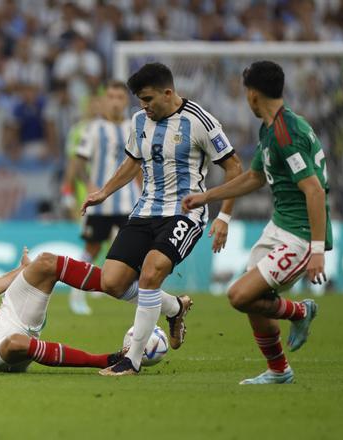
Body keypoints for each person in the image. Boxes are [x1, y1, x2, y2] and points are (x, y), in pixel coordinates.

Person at [81, 63, 243, 375]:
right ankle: (175, 307)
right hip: (145, 211)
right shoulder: (140, 119)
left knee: (151, 274)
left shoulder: (201, 122)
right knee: (111, 282)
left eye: (148, 99)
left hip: (185, 213)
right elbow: (133, 161)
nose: (143, 106)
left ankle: (132, 360)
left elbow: (234, 167)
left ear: (168, 93)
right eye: (139, 100)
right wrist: (104, 192)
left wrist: (224, 216)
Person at [182, 60, 330, 385]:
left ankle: (301, 312)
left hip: (300, 236)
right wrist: (208, 198)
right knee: (253, 300)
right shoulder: (272, 127)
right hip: (279, 226)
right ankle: (279, 371)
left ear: (252, 94)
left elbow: (315, 191)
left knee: (239, 295)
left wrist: (317, 250)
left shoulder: (285, 132)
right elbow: (254, 178)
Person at [65, 81, 139, 315]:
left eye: (120, 97)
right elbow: (78, 163)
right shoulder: (94, 128)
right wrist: (88, 185)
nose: (115, 101)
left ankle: (138, 298)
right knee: (92, 248)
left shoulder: (135, 127)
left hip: (129, 201)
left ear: (126, 101)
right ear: (105, 100)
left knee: (136, 250)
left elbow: (142, 165)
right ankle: (76, 296)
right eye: (111, 97)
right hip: (100, 203)